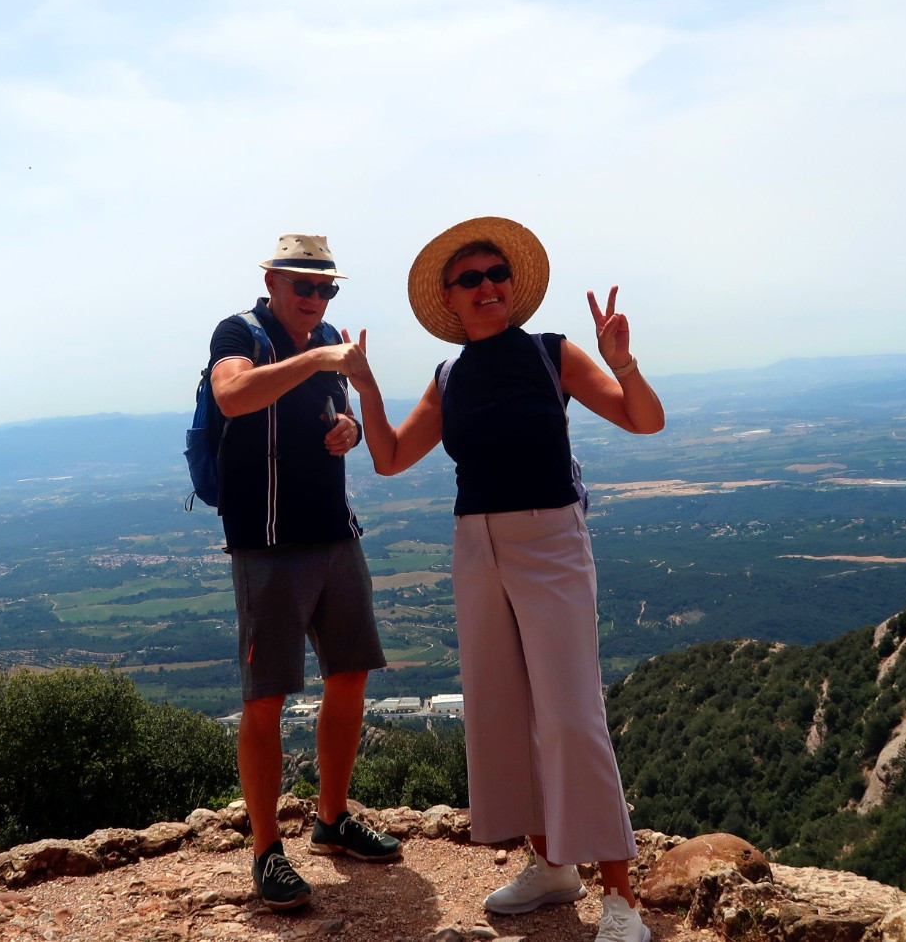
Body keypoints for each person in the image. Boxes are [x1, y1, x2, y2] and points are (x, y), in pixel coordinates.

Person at [345, 217, 665, 942]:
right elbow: (391, 457)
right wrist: (365, 387)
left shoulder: (553, 355)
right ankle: (552, 865)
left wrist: (625, 363)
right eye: (472, 279)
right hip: (475, 543)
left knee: (570, 715)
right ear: (451, 302)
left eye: (497, 275)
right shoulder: (448, 377)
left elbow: (645, 421)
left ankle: (620, 900)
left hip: (550, 537)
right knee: (501, 710)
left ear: (513, 288)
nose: (488, 286)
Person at [204, 233, 403, 910]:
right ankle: (266, 851)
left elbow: (331, 413)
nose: (316, 299)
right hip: (266, 545)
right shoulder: (242, 331)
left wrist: (345, 426)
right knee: (266, 698)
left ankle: (331, 818)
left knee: (349, 675)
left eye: (325, 289)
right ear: (272, 281)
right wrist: (321, 354)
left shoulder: (330, 341)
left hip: (334, 535)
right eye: (304, 287)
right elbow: (232, 397)